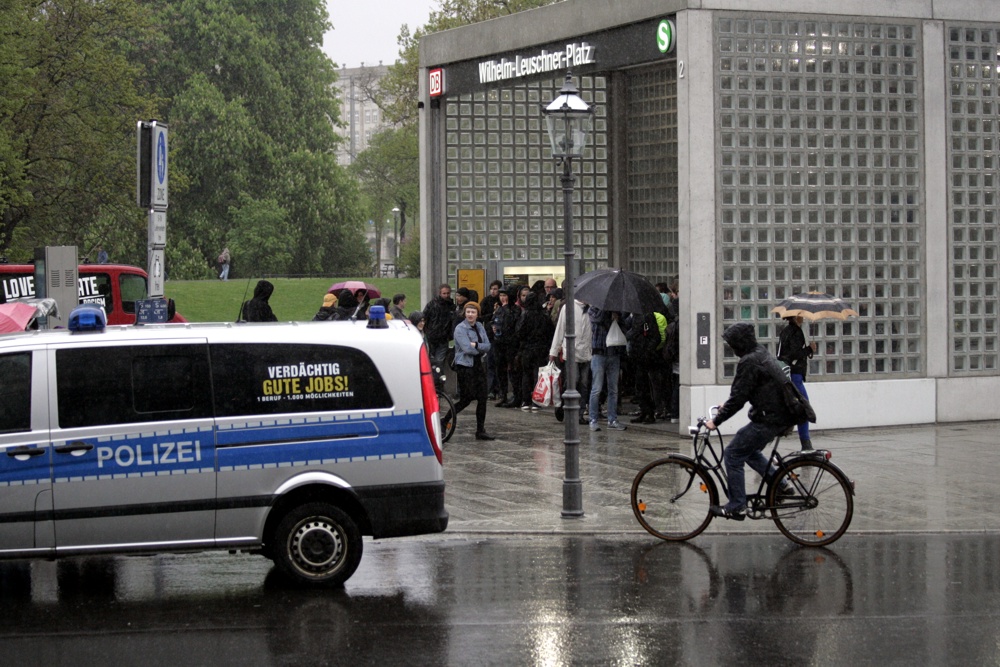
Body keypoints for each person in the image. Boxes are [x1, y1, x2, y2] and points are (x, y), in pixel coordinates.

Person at [703, 322, 796, 520]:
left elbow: (738, 398)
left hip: (770, 418)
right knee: (749, 450)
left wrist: (715, 421)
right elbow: (746, 391)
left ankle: (737, 505)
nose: (732, 348)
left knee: (733, 453)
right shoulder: (759, 352)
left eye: (732, 344)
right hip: (779, 415)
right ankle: (781, 484)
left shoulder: (749, 361)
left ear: (740, 343)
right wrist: (726, 405)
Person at [452, 301, 495, 440]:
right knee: (466, 398)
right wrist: (479, 349)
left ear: (477, 314)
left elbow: (488, 346)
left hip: (478, 365)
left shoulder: (480, 326)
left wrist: (476, 345)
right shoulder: (460, 328)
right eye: (468, 312)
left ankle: (480, 430)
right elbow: (466, 349)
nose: (470, 315)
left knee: (482, 398)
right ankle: (445, 420)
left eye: (473, 312)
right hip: (465, 366)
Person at [549, 298, 592, 425]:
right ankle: (564, 406)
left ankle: (579, 414)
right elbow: (560, 329)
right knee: (573, 380)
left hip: (587, 352)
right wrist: (554, 351)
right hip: (572, 352)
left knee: (584, 384)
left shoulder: (592, 308)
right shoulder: (568, 307)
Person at [777, 315, 817, 450]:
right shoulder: (796, 332)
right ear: (794, 317)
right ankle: (806, 444)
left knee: (791, 409)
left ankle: (759, 444)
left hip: (787, 373)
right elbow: (794, 354)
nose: (803, 318)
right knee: (804, 407)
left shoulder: (785, 331)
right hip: (795, 375)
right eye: (800, 316)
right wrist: (809, 349)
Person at [587, 306, 627, 431]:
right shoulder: (593, 309)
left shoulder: (617, 310)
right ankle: (593, 419)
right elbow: (597, 320)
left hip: (614, 353)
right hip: (599, 353)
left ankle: (612, 419)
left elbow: (624, 327)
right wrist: (606, 312)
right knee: (596, 388)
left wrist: (618, 318)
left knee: (613, 389)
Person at [516, 291, 555, 411]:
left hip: (527, 348)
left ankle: (526, 400)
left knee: (526, 374)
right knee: (538, 375)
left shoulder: (525, 314)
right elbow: (550, 332)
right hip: (541, 348)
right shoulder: (543, 315)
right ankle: (537, 401)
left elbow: (519, 332)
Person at [423, 284, 457, 383]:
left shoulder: (451, 306)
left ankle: (437, 383)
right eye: (444, 293)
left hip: (443, 338)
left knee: (439, 361)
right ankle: (434, 383)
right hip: (432, 338)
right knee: (433, 361)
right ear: (440, 293)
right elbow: (424, 318)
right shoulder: (432, 304)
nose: (446, 295)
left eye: (448, 293)